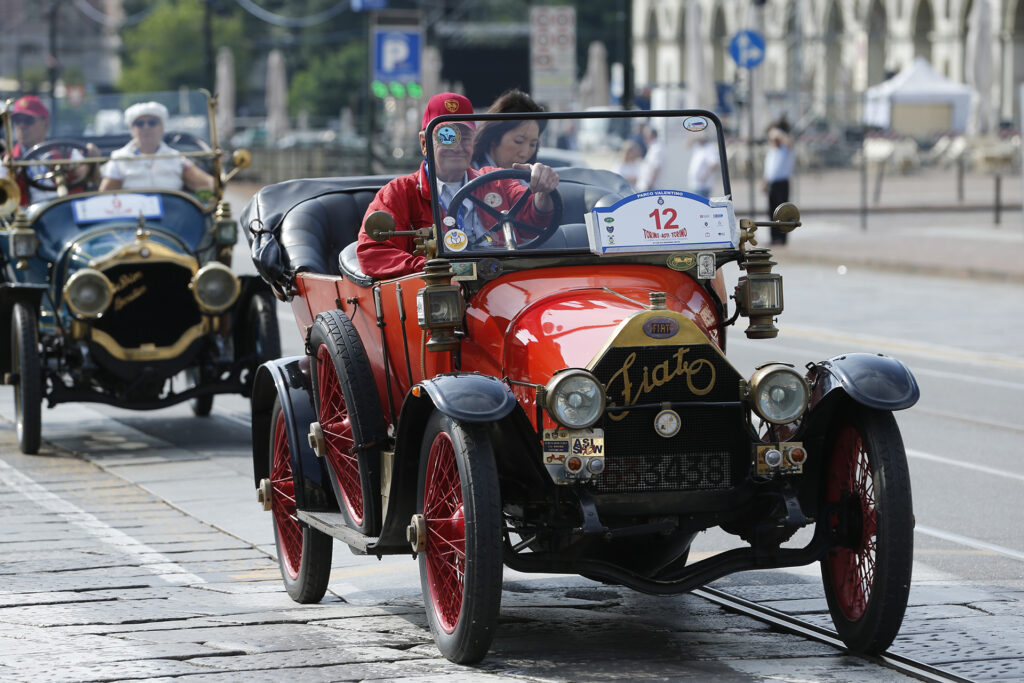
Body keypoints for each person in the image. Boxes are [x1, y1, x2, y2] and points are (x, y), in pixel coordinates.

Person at [356, 92, 559, 279]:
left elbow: (533, 218)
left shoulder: (496, 180)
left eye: (465, 137)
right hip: (438, 302)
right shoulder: (399, 193)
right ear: (424, 143)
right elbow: (372, 252)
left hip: (498, 285)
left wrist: (542, 190)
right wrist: (435, 270)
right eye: (446, 137)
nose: (457, 147)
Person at [99, 101, 213, 193]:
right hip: (133, 218)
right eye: (139, 124)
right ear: (132, 130)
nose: (146, 127)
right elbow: (105, 196)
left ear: (162, 128)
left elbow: (208, 185)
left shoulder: (176, 158)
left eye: (152, 123)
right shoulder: (119, 158)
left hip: (172, 216)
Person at [5, 95, 97, 205]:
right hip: (28, 219)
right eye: (17, 121)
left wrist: (92, 161)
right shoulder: (7, 160)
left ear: (46, 124)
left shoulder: (65, 153)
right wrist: (7, 173)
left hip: (66, 213)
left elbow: (90, 177)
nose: (21, 126)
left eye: (28, 120)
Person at [471, 89, 545, 169]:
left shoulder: (527, 178)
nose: (524, 154)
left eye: (533, 144)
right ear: (494, 137)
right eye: (518, 141)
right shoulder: (468, 175)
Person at [762, 119, 795, 245]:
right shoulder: (772, 151)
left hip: (782, 183)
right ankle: (774, 237)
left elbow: (788, 142)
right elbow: (769, 169)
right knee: (772, 212)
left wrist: (778, 133)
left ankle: (782, 238)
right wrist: (765, 181)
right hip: (772, 183)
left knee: (782, 212)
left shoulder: (785, 149)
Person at [636, 126, 664, 191]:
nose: (643, 138)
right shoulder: (653, 147)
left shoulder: (657, 149)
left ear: (650, 135)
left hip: (653, 188)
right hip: (650, 187)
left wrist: (649, 185)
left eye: (645, 135)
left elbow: (656, 168)